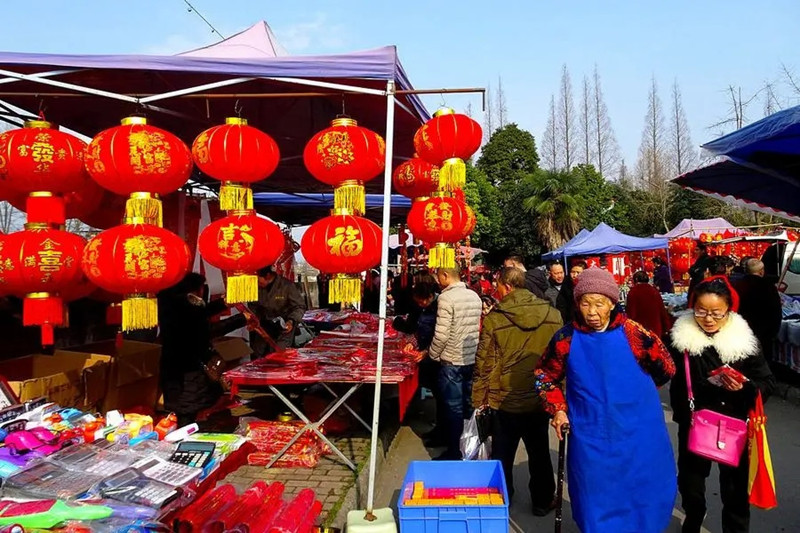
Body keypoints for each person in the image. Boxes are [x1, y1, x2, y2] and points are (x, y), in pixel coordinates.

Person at [535, 267, 677, 532]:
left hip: (639, 432)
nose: (592, 311)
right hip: (591, 433)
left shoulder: (636, 334)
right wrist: (558, 409)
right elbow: (544, 375)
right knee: (595, 496)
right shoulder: (566, 338)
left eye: (599, 303)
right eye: (585, 303)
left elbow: (666, 368)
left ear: (612, 303)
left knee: (644, 492)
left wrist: (635, 397)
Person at [668, 276, 776, 533]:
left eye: (716, 313)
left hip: (734, 424)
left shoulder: (744, 343)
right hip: (695, 423)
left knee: (735, 491)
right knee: (691, 486)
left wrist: (746, 388)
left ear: (729, 310)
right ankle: (694, 518)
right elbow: (658, 367)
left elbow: (767, 381)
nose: (708, 319)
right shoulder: (679, 340)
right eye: (701, 311)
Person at [473, 267, 563, 515]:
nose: (496, 291)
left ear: (507, 286)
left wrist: (478, 399)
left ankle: (502, 498)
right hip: (539, 395)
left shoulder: (495, 318)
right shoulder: (553, 314)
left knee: (502, 452)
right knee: (539, 450)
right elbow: (561, 359)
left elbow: (484, 363)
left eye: (498, 286)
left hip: (504, 398)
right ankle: (543, 500)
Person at [158, 273, 250, 427]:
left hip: (173, 368)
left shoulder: (172, 304)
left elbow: (199, 315)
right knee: (187, 413)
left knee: (184, 409)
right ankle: (189, 435)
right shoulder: (188, 307)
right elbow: (205, 330)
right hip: (190, 370)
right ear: (198, 289)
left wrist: (222, 304)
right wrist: (240, 319)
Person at [426, 267, 482, 460]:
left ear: (445, 275)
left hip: (451, 360)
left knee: (452, 409)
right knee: (467, 407)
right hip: (470, 358)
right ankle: (469, 448)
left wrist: (433, 354)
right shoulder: (474, 296)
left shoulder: (446, 298)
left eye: (438, 276)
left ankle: (454, 451)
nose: (438, 281)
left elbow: (441, 335)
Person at [250, 266, 306, 357]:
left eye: (258, 281)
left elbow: (300, 307)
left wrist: (291, 320)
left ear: (268, 276)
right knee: (257, 353)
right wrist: (252, 320)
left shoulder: (287, 286)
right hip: (264, 325)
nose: (257, 284)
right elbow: (253, 306)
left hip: (285, 325)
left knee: (279, 354)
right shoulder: (257, 287)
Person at [732, 259, 782, 361]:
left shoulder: (737, 285)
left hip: (742, 328)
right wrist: (774, 330)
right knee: (763, 359)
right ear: (761, 271)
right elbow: (776, 310)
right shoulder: (768, 286)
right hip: (764, 330)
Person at [626, 270, 673, 338]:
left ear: (636, 279)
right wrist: (667, 327)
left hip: (640, 330)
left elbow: (631, 314)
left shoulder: (633, 292)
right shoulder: (654, 291)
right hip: (655, 329)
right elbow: (662, 310)